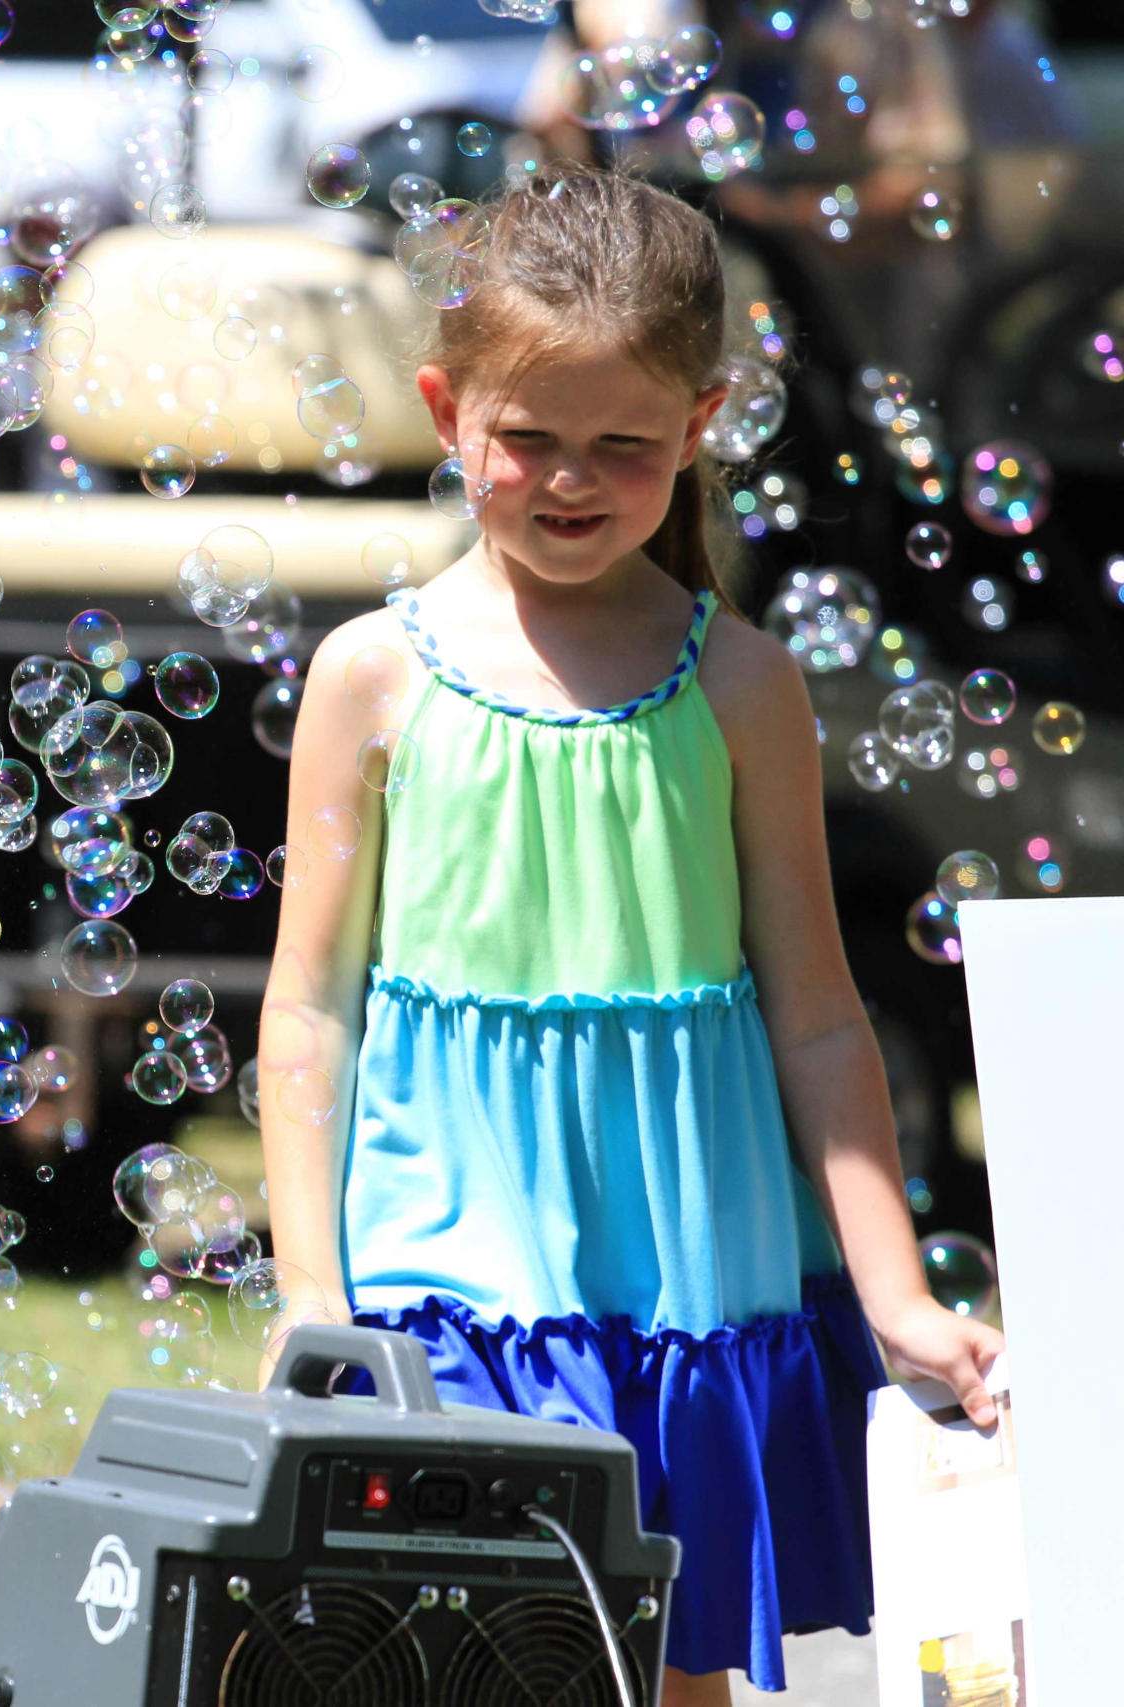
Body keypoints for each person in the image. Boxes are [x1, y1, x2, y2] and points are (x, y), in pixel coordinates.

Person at [255, 167, 1003, 1705]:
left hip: (685, 1274)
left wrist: (897, 1292)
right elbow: (312, 1005)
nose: (571, 478)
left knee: (669, 1670)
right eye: (527, 437)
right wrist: (312, 1289)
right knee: (469, 1659)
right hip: (442, 1265)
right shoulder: (369, 677)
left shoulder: (742, 687)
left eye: (625, 445)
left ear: (701, 426)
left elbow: (814, 1015)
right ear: (446, 407)